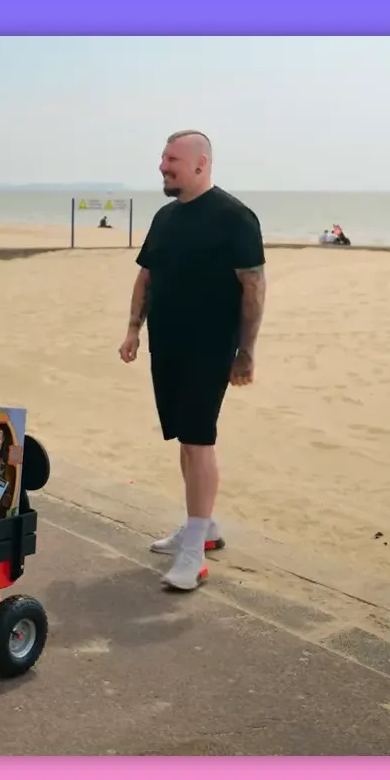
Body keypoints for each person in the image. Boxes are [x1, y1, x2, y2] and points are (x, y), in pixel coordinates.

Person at [118, 130, 267, 591]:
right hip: (166, 345)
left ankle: (194, 553)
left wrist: (246, 351)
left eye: (172, 160)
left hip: (210, 347)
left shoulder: (235, 217)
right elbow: (146, 276)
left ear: (201, 164)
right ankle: (202, 525)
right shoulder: (165, 217)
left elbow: (254, 287)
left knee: (200, 439)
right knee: (185, 437)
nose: (163, 166)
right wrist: (133, 329)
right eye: (163, 158)